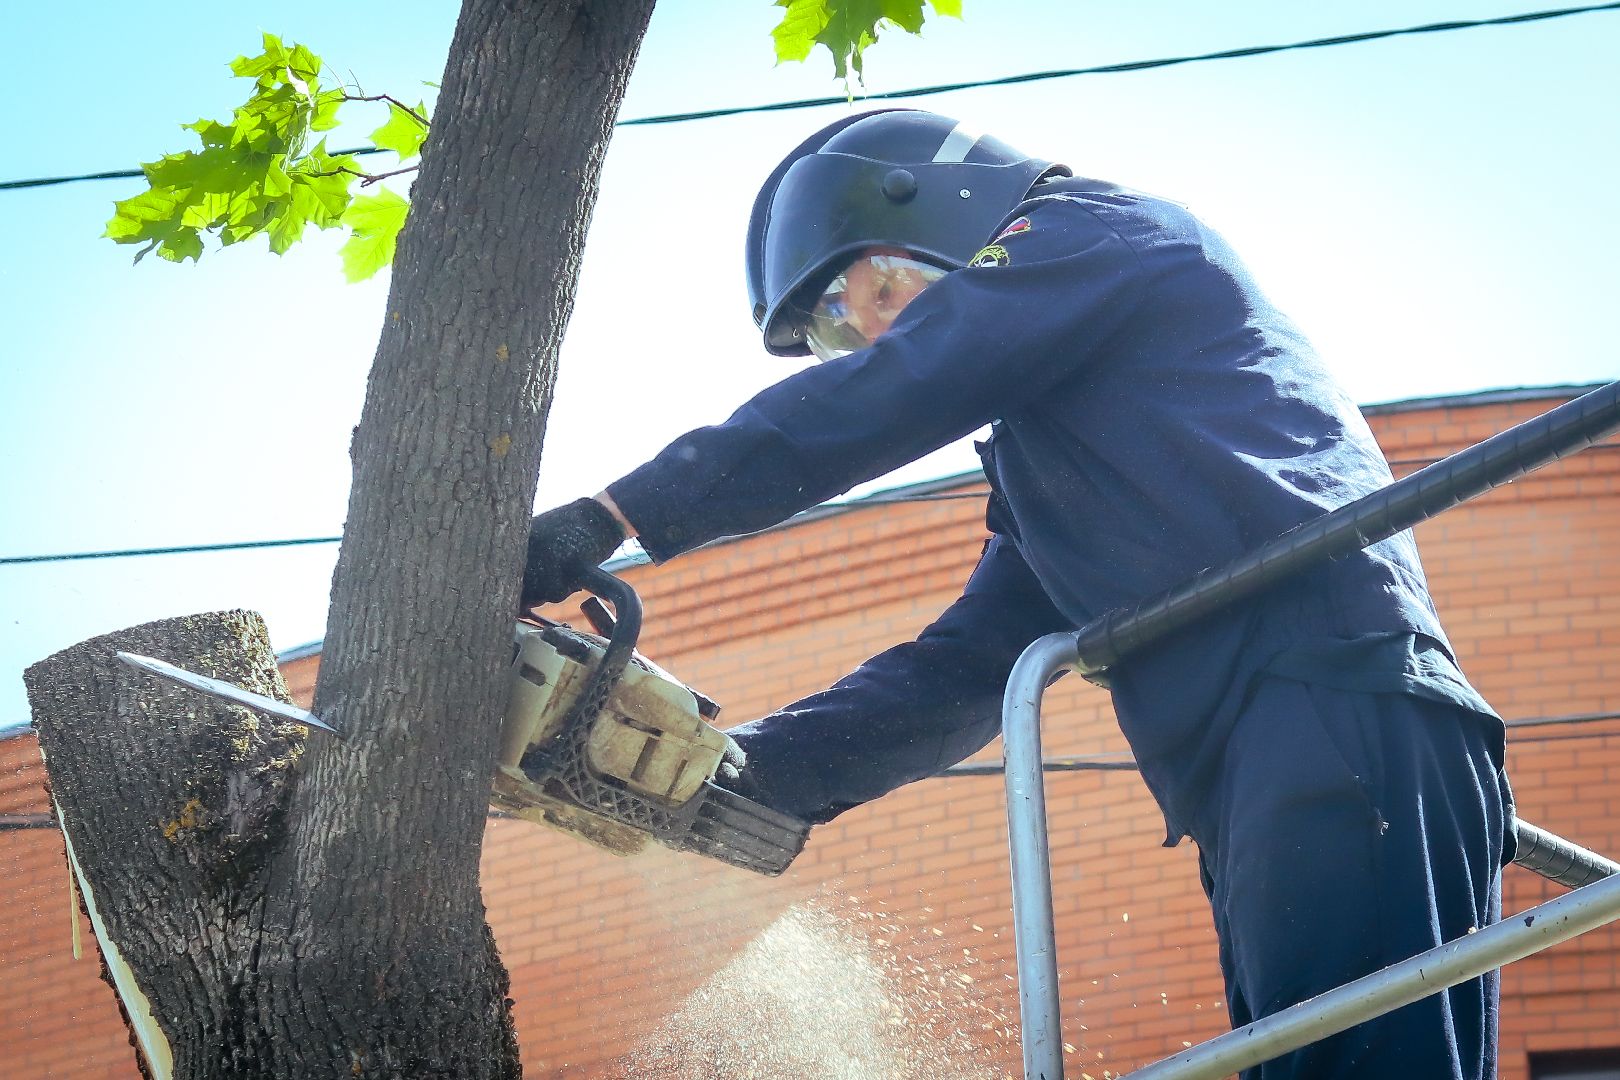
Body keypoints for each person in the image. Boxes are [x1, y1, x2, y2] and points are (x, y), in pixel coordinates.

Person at [521, 109, 1513, 1079]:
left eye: (862, 295)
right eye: (832, 334)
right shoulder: (1069, 455)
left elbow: (900, 387)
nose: (864, 337)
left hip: (1339, 705)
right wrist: (748, 771)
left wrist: (614, 514)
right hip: (1273, 756)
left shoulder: (1097, 235)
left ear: (943, 206)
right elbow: (967, 665)